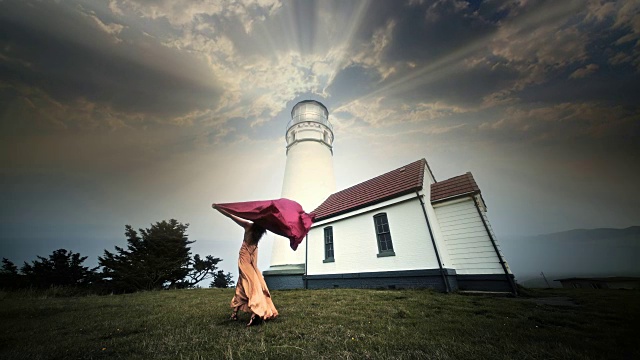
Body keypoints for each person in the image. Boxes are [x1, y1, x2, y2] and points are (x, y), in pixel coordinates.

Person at [213, 204, 278, 326]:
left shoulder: (248, 226)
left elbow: (231, 216)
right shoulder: (262, 229)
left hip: (246, 256)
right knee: (244, 282)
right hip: (253, 255)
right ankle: (235, 313)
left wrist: (218, 207)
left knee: (250, 282)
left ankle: (256, 312)